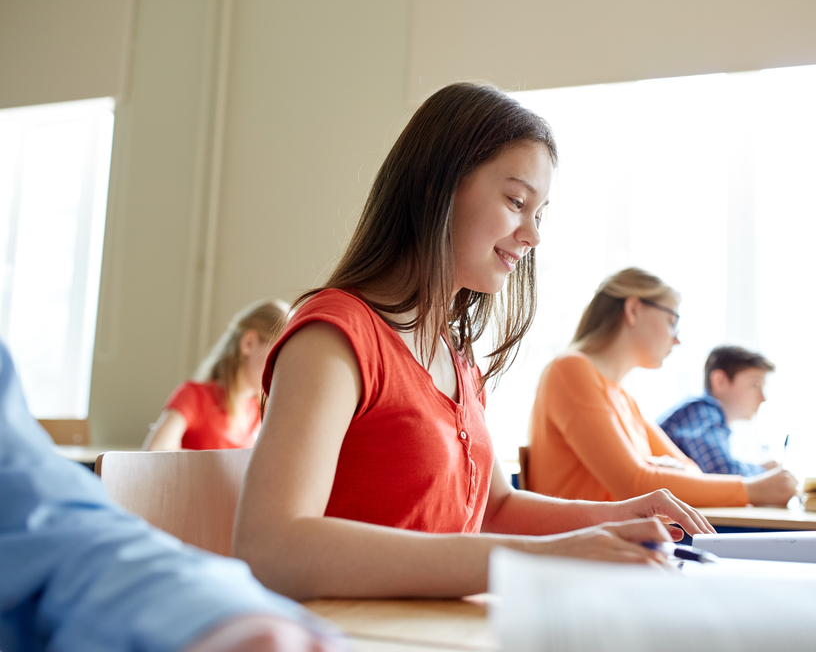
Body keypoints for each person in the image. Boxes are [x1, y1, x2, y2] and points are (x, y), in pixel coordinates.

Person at [232, 82, 716, 602]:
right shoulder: (333, 336)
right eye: (515, 201)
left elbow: (495, 509)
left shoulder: (456, 358)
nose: (532, 236)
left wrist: (618, 516)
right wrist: (547, 558)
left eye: (539, 212)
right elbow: (270, 547)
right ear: (438, 188)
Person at [0, 339, 347, 652]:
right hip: (185, 527)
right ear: (249, 343)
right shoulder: (196, 395)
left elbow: (47, 525)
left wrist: (212, 615)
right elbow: (159, 450)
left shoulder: (254, 409)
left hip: (203, 564)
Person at [528, 268, 798, 509]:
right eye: (672, 321)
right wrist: (751, 490)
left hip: (615, 546)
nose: (677, 339)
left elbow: (691, 471)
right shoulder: (570, 370)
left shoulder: (622, 397)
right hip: (578, 554)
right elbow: (635, 484)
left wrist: (654, 474)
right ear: (633, 310)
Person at [144, 299, 289, 451]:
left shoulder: (264, 411)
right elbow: (155, 452)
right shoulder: (193, 397)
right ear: (249, 343)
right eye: (278, 354)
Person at [658, 345, 778, 476]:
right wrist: (765, 471)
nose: (763, 398)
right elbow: (721, 472)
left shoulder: (705, 415)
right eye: (754, 385)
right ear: (720, 381)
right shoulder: (702, 412)